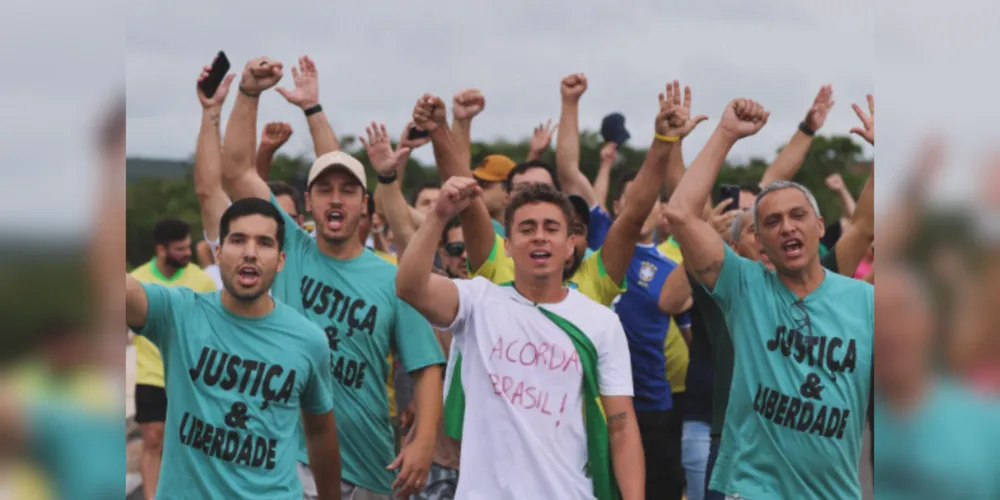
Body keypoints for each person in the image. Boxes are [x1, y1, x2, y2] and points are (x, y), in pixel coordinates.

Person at [220, 56, 445, 499]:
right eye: (324, 190)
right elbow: (235, 173)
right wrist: (248, 93)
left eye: (348, 191)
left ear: (365, 205)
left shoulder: (393, 279)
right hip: (284, 457)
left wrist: (423, 443)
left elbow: (426, 367)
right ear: (309, 202)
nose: (336, 199)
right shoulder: (290, 248)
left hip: (366, 466)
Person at [665, 98, 874, 500]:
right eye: (772, 222)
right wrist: (725, 134)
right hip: (752, 489)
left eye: (798, 216)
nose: (787, 227)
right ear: (759, 241)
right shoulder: (744, 287)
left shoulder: (864, 301)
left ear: (819, 226)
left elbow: (867, 222)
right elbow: (681, 215)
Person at [396, 178, 643, 500]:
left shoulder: (601, 322)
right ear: (508, 246)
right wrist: (439, 215)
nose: (539, 236)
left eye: (551, 228)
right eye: (526, 229)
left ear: (570, 245)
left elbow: (621, 426)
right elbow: (409, 287)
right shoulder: (476, 302)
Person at [125, 198, 341, 499]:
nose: (250, 252)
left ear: (280, 260)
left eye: (264, 243)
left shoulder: (309, 341)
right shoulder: (178, 313)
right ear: (218, 252)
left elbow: (320, 432)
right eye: (238, 240)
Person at [130, 217, 217, 499]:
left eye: (188, 247)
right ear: (161, 249)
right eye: (180, 248)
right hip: (151, 376)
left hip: (190, 378)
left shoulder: (201, 281)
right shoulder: (138, 280)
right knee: (153, 439)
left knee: (192, 443)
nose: (188, 253)